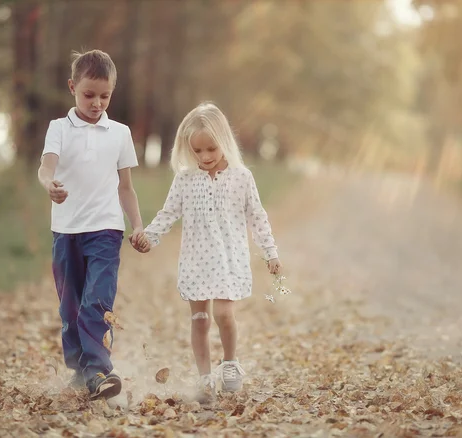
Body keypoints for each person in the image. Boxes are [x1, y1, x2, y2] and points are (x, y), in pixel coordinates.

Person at [143, 102, 282, 402]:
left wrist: (270, 252)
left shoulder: (241, 177)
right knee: (200, 320)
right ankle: (204, 378)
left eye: (211, 148)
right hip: (195, 260)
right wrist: (149, 237)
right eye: (198, 151)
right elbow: (168, 213)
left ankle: (230, 363)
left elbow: (256, 216)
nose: (205, 157)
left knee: (223, 314)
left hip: (228, 259)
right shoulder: (185, 179)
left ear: (224, 142)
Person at [37, 49, 150, 400]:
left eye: (105, 95)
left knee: (97, 300)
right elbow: (46, 167)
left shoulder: (119, 133)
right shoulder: (58, 128)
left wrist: (137, 225)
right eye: (89, 95)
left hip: (105, 229)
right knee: (70, 306)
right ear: (73, 87)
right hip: (66, 229)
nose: (97, 102)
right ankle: (80, 369)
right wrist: (48, 185)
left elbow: (126, 187)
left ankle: (100, 370)